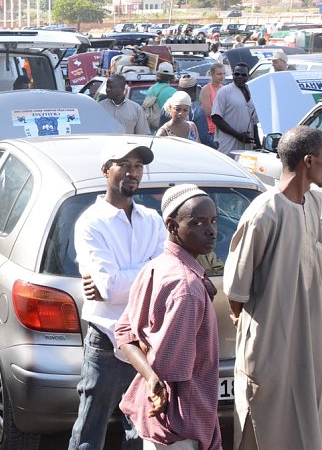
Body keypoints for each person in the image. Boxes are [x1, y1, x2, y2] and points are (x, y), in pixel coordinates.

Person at [223, 126, 322, 449]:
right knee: (263, 427)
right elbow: (236, 292)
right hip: (271, 346)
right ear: (309, 161)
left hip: (308, 342)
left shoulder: (312, 205)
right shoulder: (264, 214)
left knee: (306, 424)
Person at [68, 139, 166, 450]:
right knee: (89, 432)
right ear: (105, 170)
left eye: (138, 166)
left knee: (141, 430)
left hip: (147, 341)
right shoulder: (90, 223)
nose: (132, 172)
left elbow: (167, 274)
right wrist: (150, 268)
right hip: (107, 341)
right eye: (124, 165)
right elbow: (110, 288)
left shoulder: (152, 218)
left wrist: (125, 279)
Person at [115, 184, 222, 450]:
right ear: (173, 225)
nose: (211, 231)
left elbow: (124, 335)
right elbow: (172, 368)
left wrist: (150, 377)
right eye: (198, 223)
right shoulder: (186, 288)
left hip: (158, 421)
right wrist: (155, 377)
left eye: (213, 221)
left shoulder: (155, 266)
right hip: (179, 425)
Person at [211, 63, 260, 156]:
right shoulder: (224, 92)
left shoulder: (252, 92)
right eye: (237, 74)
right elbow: (216, 118)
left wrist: (258, 146)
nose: (240, 77)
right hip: (228, 143)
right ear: (233, 75)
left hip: (247, 144)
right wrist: (237, 135)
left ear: (248, 76)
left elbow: (254, 123)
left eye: (243, 75)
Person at [175, 72, 212, 147]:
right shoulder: (197, 111)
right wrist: (215, 145)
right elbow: (204, 138)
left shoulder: (167, 107)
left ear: (178, 89)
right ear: (195, 91)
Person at [199, 63, 225, 144]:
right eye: (219, 74)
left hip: (223, 130)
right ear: (211, 74)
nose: (222, 76)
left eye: (224, 74)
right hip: (211, 131)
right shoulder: (206, 89)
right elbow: (208, 112)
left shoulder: (224, 89)